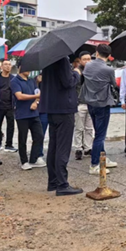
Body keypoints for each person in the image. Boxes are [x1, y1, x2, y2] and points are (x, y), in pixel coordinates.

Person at [39, 57, 83, 196]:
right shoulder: (62, 59)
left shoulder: (47, 60)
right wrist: (76, 73)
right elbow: (68, 82)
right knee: (62, 147)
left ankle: (53, 181)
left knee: (54, 146)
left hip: (52, 107)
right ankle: (62, 184)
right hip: (64, 107)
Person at [82, 44, 118, 175]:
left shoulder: (88, 66)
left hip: (90, 103)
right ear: (109, 56)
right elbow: (114, 84)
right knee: (100, 136)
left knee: (98, 133)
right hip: (102, 104)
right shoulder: (109, 70)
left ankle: (103, 159)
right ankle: (94, 164)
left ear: (97, 53)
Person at [11, 64, 46, 170]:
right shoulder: (15, 81)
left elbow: (38, 92)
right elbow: (19, 96)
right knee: (23, 138)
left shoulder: (31, 81)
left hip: (34, 113)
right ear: (20, 68)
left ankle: (33, 159)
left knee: (39, 135)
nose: (29, 70)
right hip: (22, 114)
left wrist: (36, 102)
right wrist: (36, 96)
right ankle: (24, 161)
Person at [73, 51, 94, 160]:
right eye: (84, 59)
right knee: (79, 128)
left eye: (89, 59)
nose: (87, 61)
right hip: (79, 103)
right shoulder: (77, 72)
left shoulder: (93, 71)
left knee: (89, 128)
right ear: (80, 61)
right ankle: (78, 148)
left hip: (91, 103)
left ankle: (88, 147)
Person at [0, 59, 17, 154]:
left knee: (11, 125)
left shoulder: (13, 79)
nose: (8, 66)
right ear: (1, 67)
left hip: (10, 105)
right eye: (6, 64)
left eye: (9, 64)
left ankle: (9, 144)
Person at [36, 72, 49, 157]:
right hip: (43, 109)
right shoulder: (38, 78)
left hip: (54, 108)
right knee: (40, 133)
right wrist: (38, 82)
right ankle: (38, 153)